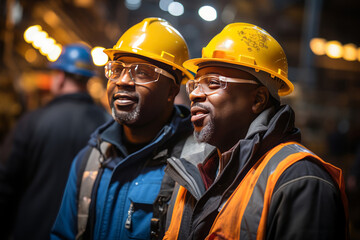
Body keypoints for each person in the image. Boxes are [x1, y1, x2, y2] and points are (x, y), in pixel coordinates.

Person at [164, 22, 348, 240]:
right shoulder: (195, 174)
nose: (195, 94)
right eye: (195, 85)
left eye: (213, 83)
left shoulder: (300, 179)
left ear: (258, 99)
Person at [51, 18, 208, 240]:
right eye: (116, 69)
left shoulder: (196, 167)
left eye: (142, 72)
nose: (123, 81)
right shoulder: (90, 160)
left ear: (172, 90)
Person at [0, 43, 111, 240]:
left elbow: (6, 182)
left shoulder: (32, 122)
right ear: (88, 80)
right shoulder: (107, 125)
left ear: (59, 78)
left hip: (29, 231)